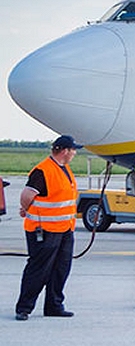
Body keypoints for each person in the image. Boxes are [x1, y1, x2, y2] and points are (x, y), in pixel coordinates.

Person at [15, 135, 82, 321]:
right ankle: (24, 307)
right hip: (44, 230)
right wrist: (26, 209)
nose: (75, 153)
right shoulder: (43, 171)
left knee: (61, 268)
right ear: (65, 151)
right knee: (39, 269)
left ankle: (54, 305)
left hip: (65, 229)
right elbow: (27, 194)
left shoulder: (64, 169)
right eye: (73, 150)